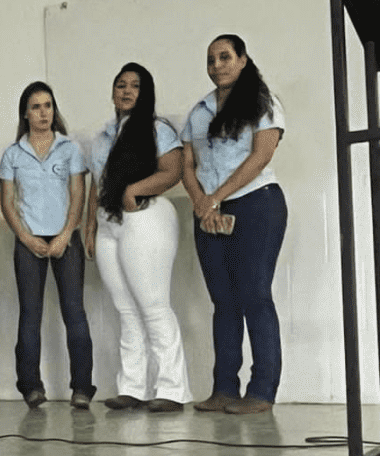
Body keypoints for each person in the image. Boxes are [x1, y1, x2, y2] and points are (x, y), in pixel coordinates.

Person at [182, 34, 286, 414]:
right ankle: (224, 388)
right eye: (211, 60)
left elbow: (260, 156)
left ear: (242, 60)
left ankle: (262, 392)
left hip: (258, 204)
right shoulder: (199, 111)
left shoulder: (262, 102)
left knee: (254, 296)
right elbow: (187, 165)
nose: (217, 65)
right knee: (223, 302)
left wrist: (217, 195)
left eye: (225, 57)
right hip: (209, 211)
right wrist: (201, 203)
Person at [84, 63, 190, 412]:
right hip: (108, 221)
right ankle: (132, 387)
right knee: (125, 309)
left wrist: (134, 190)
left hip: (145, 217)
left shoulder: (157, 129)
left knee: (153, 306)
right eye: (121, 85)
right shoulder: (103, 136)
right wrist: (90, 226)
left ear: (145, 93)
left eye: (135, 86)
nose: (127, 91)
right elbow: (95, 184)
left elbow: (173, 169)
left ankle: (173, 389)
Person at [0, 82, 95, 410]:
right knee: (30, 315)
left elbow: (78, 193)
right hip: (28, 242)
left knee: (75, 312)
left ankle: (82, 386)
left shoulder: (69, 149)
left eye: (48, 106)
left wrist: (67, 233)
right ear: (25, 113)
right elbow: (8, 203)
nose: (44, 112)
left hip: (66, 239)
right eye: (36, 107)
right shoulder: (13, 154)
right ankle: (31, 386)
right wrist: (25, 237)